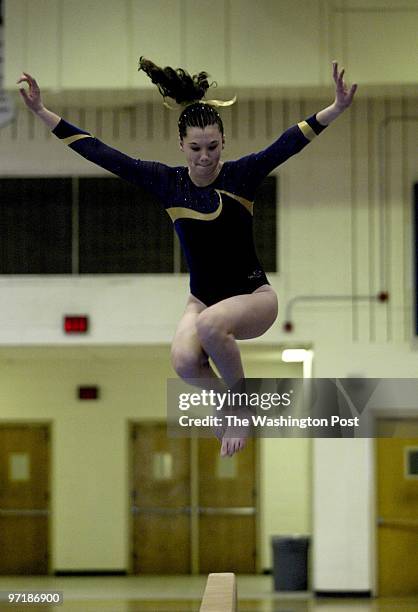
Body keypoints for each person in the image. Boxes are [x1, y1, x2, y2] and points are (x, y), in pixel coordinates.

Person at [17, 60, 357, 457]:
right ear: (181, 146)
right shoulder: (166, 183)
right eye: (195, 148)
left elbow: (287, 143)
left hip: (254, 299)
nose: (205, 157)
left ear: (224, 142)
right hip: (202, 299)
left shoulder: (241, 176)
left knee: (211, 326)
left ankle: (238, 404)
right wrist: (42, 111)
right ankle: (224, 402)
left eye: (213, 147)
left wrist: (334, 107)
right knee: (182, 360)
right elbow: (103, 154)